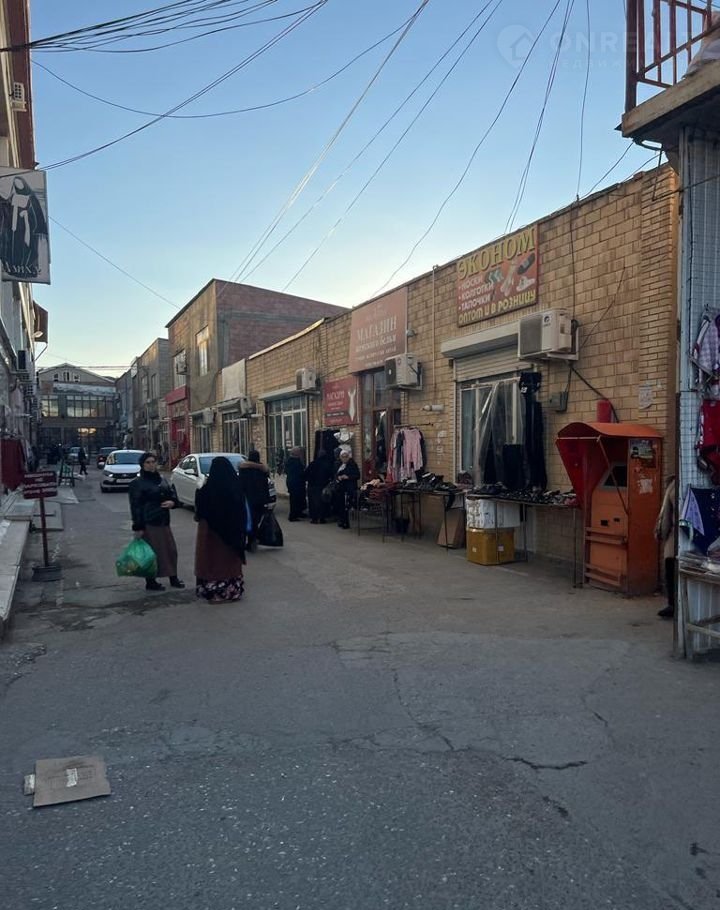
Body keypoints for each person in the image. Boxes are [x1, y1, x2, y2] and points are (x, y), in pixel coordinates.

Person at [128, 451, 184, 592]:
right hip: (149, 522)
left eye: (153, 462)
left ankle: (173, 577)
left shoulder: (161, 479)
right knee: (151, 553)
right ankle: (151, 581)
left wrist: (172, 502)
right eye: (148, 462)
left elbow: (172, 495)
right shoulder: (137, 483)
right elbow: (136, 506)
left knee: (170, 551)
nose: (151, 465)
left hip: (163, 521)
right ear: (142, 465)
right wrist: (138, 526)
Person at [194, 456, 248, 603]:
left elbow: (199, 513)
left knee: (212, 561)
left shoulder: (205, 490)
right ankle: (232, 591)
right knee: (229, 562)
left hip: (210, 534)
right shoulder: (235, 488)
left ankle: (213, 591)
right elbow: (242, 512)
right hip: (232, 534)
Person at [238, 449, 271, 550]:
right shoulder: (262, 470)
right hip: (260, 499)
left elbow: (240, 484)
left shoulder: (244, 469)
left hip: (247, 499)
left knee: (246, 521)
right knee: (256, 521)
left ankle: (246, 541)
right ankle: (252, 540)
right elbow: (266, 484)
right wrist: (267, 500)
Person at [655, 476, 676, 619]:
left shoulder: (673, 486)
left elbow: (666, 514)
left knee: (671, 571)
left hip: (675, 537)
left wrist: (662, 533)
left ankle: (672, 604)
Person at [304, 450, 334, 524]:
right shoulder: (327, 464)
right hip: (322, 486)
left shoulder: (312, 464)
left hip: (312, 486)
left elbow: (305, 474)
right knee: (322, 502)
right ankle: (322, 518)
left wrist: (309, 480)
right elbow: (331, 475)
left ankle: (314, 518)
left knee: (312, 503)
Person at [333, 449, 360, 529]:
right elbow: (334, 475)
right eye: (343, 457)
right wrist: (338, 478)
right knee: (340, 505)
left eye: (346, 457)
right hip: (340, 488)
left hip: (349, 488)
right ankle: (342, 520)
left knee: (347, 506)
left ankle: (346, 522)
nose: (344, 458)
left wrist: (348, 477)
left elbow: (357, 475)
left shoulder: (352, 464)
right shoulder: (338, 464)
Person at [286, 446, 307, 521]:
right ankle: (293, 516)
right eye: (300, 452)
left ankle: (299, 512)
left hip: (295, 482)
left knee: (299, 498)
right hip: (295, 483)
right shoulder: (294, 462)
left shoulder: (292, 461)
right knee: (294, 499)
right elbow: (299, 472)